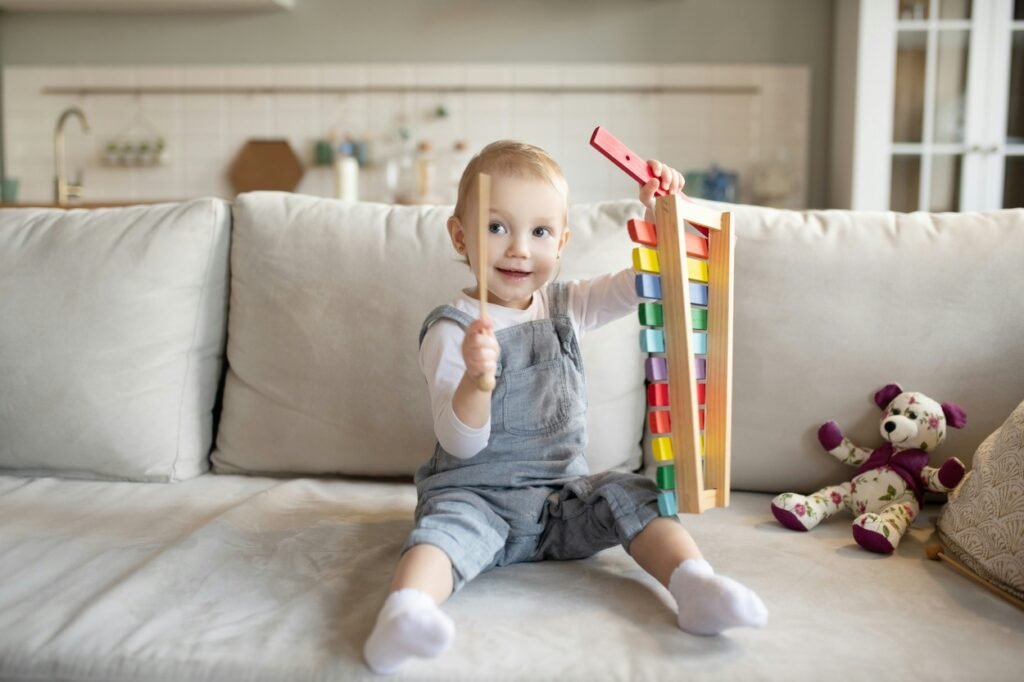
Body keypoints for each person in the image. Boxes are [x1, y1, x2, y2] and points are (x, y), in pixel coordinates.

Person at [364, 140, 767, 674]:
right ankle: (404, 615)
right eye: (496, 227)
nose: (519, 250)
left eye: (540, 232)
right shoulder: (451, 330)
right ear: (459, 235)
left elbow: (662, 278)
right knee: (439, 536)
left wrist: (661, 209)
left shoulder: (568, 306)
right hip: (478, 497)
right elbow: (459, 442)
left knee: (632, 494)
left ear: (562, 243)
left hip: (562, 503)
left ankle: (695, 586)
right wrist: (478, 383)